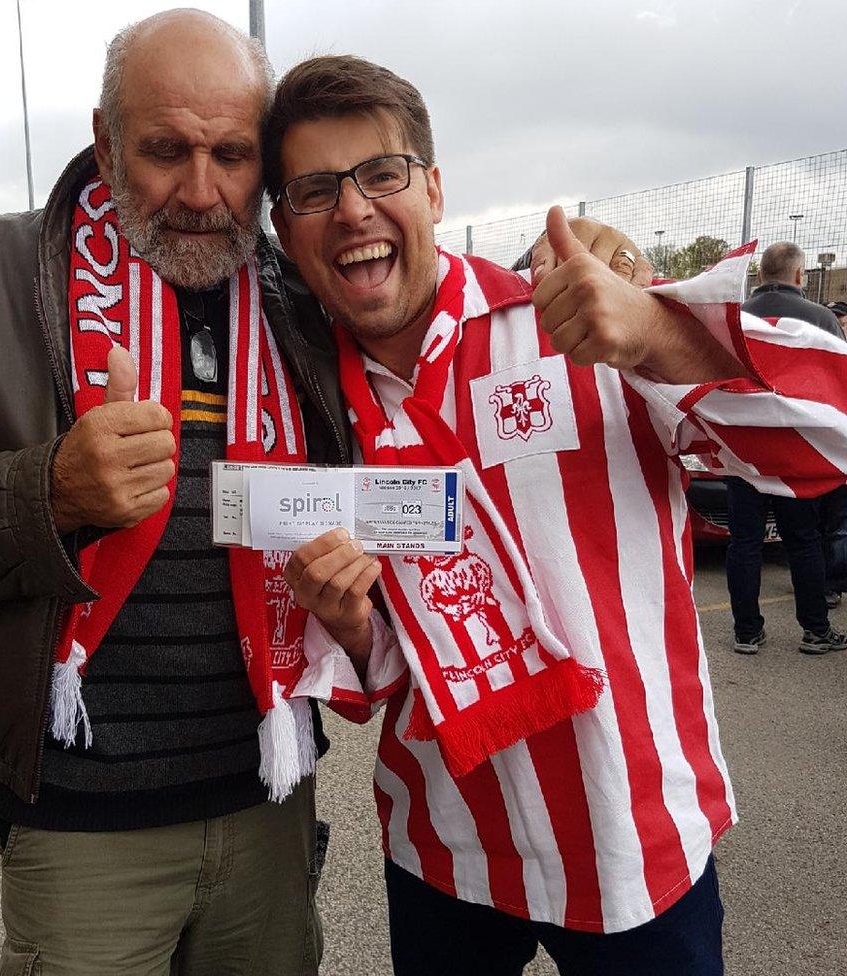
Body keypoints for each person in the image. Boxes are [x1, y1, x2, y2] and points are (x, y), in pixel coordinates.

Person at [0, 12, 646, 975]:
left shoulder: (295, 289)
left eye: (232, 155)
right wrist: (48, 492)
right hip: (82, 822)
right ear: (105, 138)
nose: (201, 192)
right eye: (163, 151)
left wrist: (595, 266)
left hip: (269, 800)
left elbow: (427, 310)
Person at [265, 55, 847, 976]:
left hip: (633, 844)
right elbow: (379, 675)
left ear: (434, 187)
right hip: (444, 851)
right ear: (286, 231)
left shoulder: (574, 315)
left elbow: (830, 441)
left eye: (381, 173)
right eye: (313, 189)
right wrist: (348, 617)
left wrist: (657, 332)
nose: (353, 208)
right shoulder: (304, 408)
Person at [725, 242, 847, 646]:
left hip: (746, 451)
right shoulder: (822, 319)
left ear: (759, 276)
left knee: (744, 542)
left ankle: (746, 632)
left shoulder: (731, 318)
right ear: (800, 276)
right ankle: (815, 630)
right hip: (799, 454)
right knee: (804, 540)